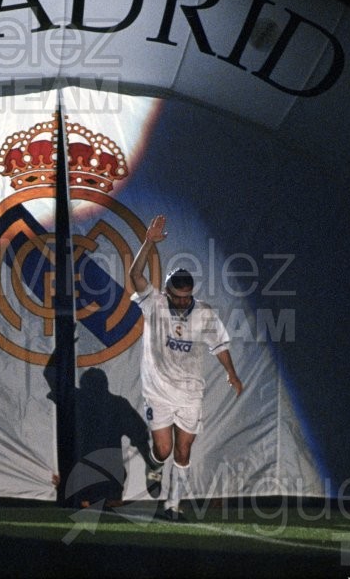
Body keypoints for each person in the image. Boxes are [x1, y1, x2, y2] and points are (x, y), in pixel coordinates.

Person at [128, 214, 244, 522]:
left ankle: (173, 505)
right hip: (158, 390)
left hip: (191, 391)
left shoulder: (204, 313)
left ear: (192, 293)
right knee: (164, 451)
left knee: (183, 451)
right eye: (176, 297)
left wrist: (231, 373)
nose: (182, 302)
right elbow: (135, 274)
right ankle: (154, 464)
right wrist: (148, 242)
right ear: (167, 292)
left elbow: (219, 344)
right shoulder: (154, 303)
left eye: (186, 297)